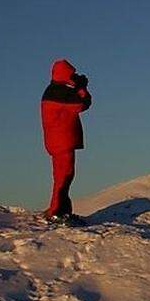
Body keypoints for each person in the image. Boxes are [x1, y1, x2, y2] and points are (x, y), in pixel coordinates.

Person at [40, 59, 91, 221]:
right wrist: (81, 88)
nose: (74, 76)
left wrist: (76, 86)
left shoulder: (54, 91)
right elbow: (83, 104)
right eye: (72, 74)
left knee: (63, 176)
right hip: (62, 141)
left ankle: (62, 210)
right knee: (64, 176)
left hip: (58, 141)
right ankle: (57, 211)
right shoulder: (60, 94)